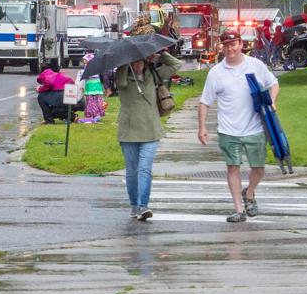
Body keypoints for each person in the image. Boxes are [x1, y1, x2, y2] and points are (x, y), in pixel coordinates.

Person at [197, 31, 278, 223]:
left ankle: (249, 193)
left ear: (241, 44)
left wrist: (272, 101)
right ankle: (239, 210)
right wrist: (202, 127)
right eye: (225, 45)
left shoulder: (256, 66)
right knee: (232, 167)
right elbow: (204, 102)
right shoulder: (216, 72)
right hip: (228, 129)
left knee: (258, 168)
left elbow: (273, 83)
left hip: (254, 127)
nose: (230, 49)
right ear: (221, 47)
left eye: (233, 44)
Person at [114, 47, 182, 221]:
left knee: (145, 169)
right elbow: (120, 82)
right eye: (134, 61)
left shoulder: (154, 75)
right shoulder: (123, 78)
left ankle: (143, 206)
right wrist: (124, 62)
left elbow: (176, 65)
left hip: (151, 130)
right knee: (132, 171)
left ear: (146, 61)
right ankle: (134, 205)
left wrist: (161, 52)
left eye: (140, 60)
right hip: (129, 131)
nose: (138, 64)